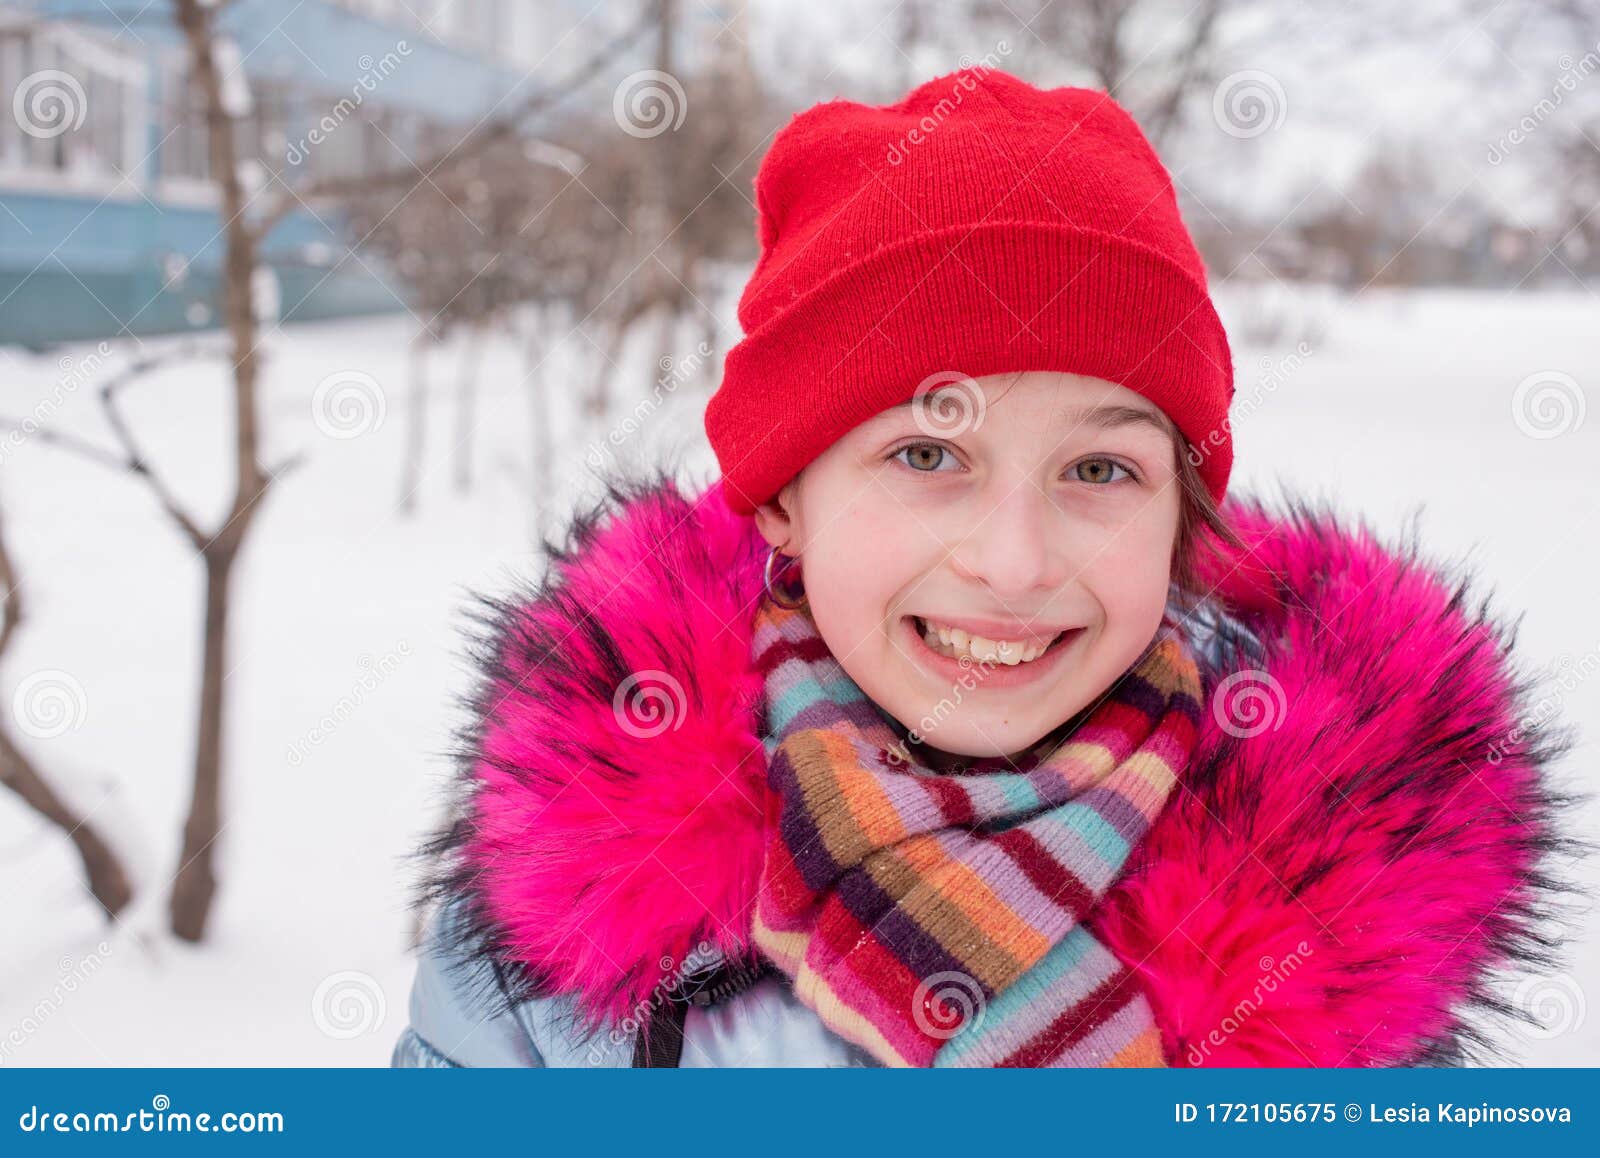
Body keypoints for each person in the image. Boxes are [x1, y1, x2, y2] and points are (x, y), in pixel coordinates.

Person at [392, 68, 1576, 1068]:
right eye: (926, 453)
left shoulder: (1333, 923)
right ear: (784, 502)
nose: (1013, 562)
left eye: (1099, 473)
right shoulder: (576, 923)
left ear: (1179, 518)